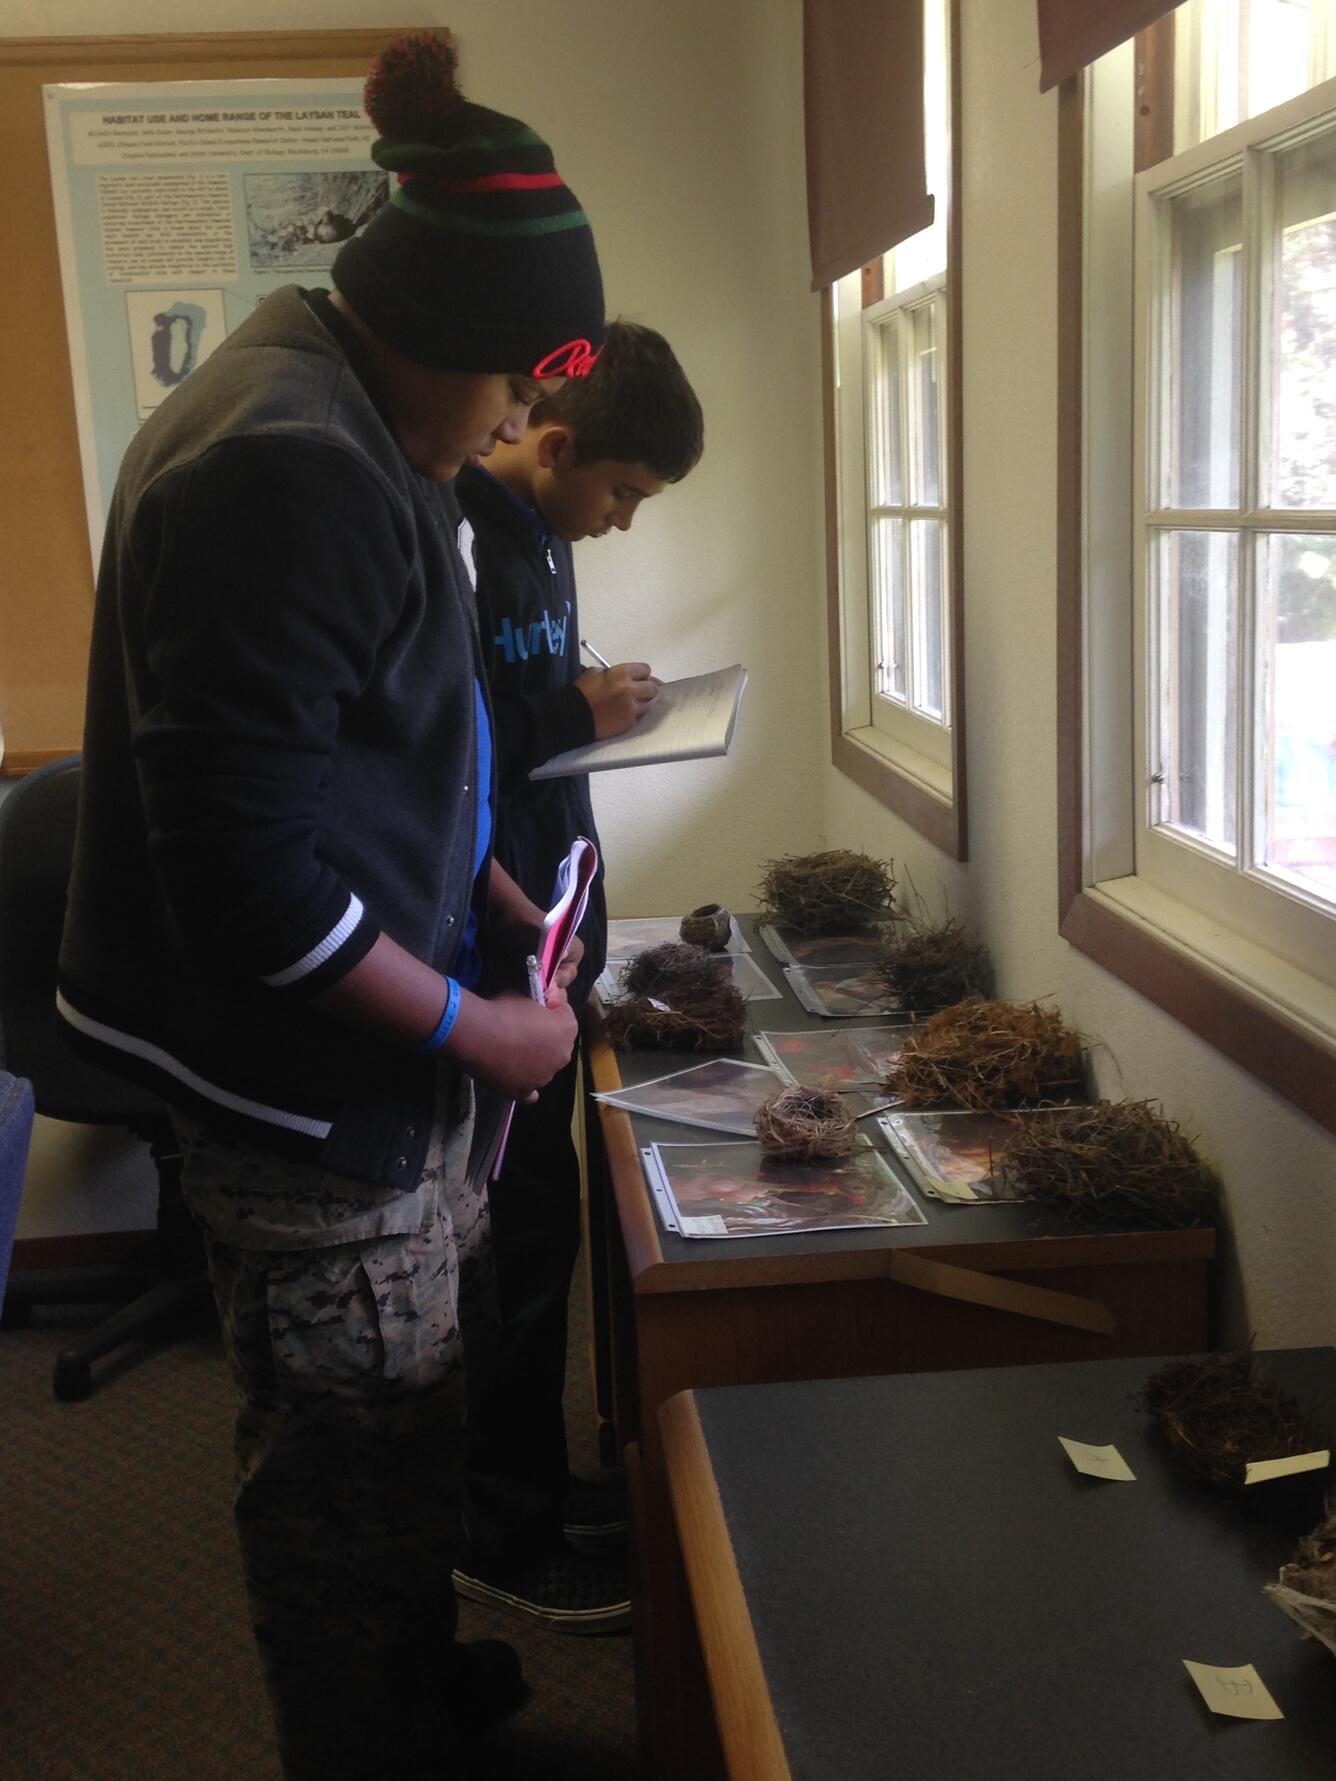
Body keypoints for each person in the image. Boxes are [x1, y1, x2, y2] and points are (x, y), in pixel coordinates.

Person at [56, 31, 605, 1780]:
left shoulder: (360, 407)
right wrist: (484, 1026)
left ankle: (411, 1673)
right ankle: (361, 1743)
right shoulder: (285, 464)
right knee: (345, 1461)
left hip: (372, 1058)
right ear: (437, 331)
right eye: (514, 386)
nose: (523, 423)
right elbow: (246, 883)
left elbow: (375, 749)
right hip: (304, 1091)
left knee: (410, 1413)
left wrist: (496, 888)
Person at [454, 322, 704, 1631]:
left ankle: (538, 1488)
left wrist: (594, 695)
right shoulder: (454, 532)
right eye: (618, 495)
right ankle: (505, 1528)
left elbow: (529, 703)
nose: (616, 524)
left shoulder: (543, 530)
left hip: (554, 920)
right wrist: (571, 715)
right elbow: (440, 751)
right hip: (489, 959)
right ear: (556, 445)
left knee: (546, 1234)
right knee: (519, 1244)